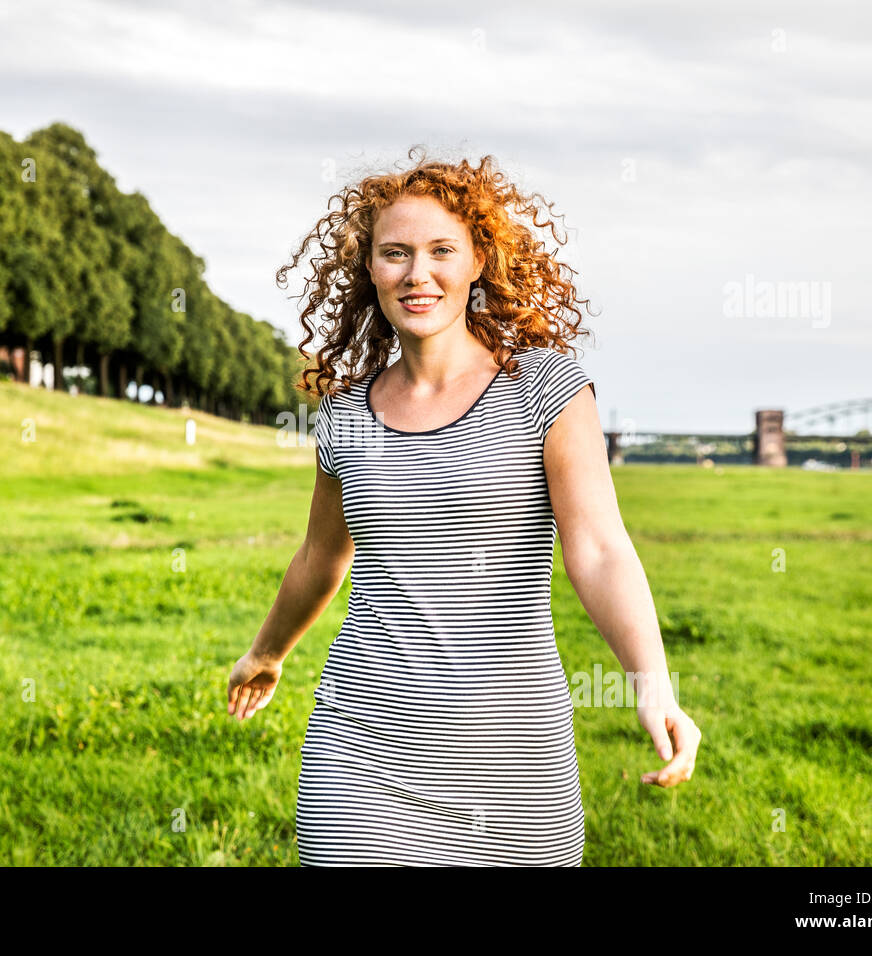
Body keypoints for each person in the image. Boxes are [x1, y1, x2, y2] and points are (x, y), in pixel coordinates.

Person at [226, 148, 701, 866]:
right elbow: (321, 556)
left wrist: (652, 682)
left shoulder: (545, 389)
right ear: (371, 270)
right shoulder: (346, 415)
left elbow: (599, 549)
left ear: (479, 260)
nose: (419, 274)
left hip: (515, 766)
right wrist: (266, 653)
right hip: (360, 758)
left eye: (442, 250)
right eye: (395, 254)